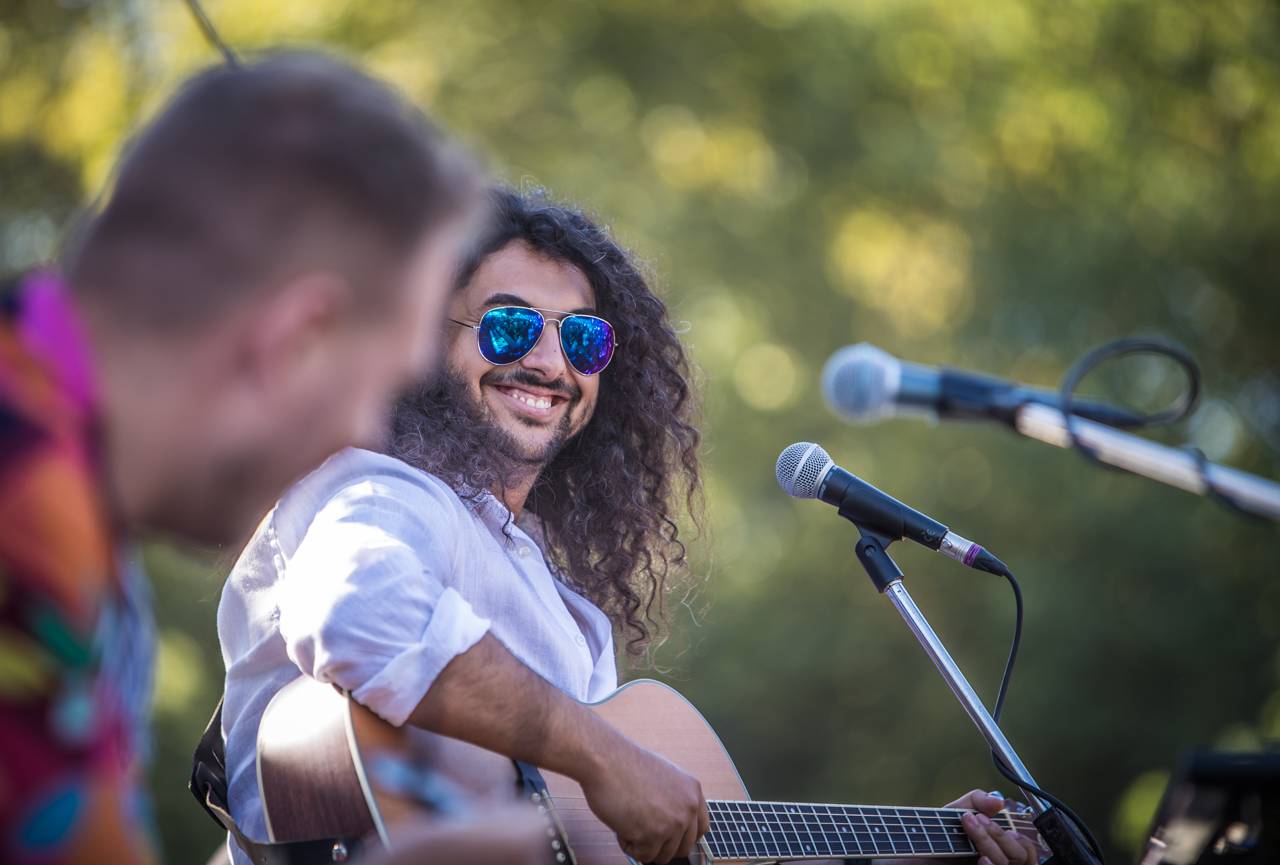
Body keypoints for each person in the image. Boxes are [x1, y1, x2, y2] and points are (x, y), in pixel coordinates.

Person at [217, 188, 1040, 865]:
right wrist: (606, 757)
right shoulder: (383, 492)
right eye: (508, 325)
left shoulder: (563, 615)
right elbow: (359, 615)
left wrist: (927, 848)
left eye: (583, 339)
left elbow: (626, 830)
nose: (548, 361)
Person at [0, 52, 486, 865]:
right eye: (378, 387)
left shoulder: (65, 487)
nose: (368, 434)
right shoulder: (26, 518)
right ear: (295, 340)